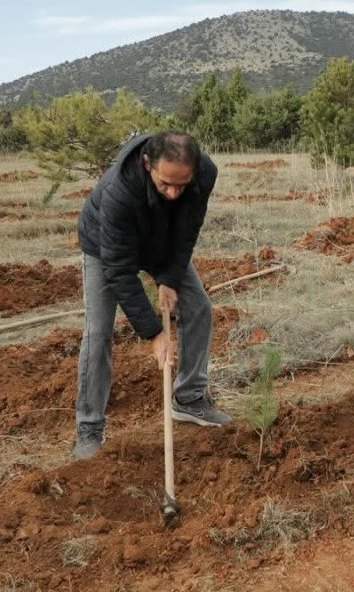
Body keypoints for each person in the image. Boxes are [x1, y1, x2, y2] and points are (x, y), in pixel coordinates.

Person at [72, 130, 229, 460]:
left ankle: (188, 400)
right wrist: (155, 334)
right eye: (165, 184)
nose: (173, 193)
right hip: (106, 247)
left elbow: (188, 229)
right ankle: (89, 427)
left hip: (162, 241)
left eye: (181, 186)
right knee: (99, 331)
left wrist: (169, 279)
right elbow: (118, 271)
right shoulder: (119, 191)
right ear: (147, 165)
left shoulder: (205, 173)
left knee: (199, 307)